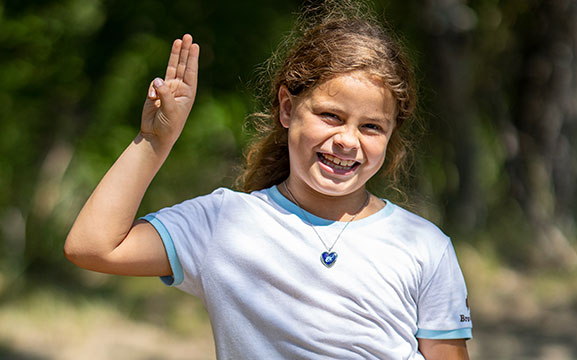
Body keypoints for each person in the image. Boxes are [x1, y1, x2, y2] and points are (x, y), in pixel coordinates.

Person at [64, 2, 472, 359]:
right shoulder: (222, 223)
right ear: (286, 108)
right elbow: (92, 247)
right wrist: (154, 141)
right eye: (330, 116)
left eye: (371, 127)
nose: (348, 140)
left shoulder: (426, 247)